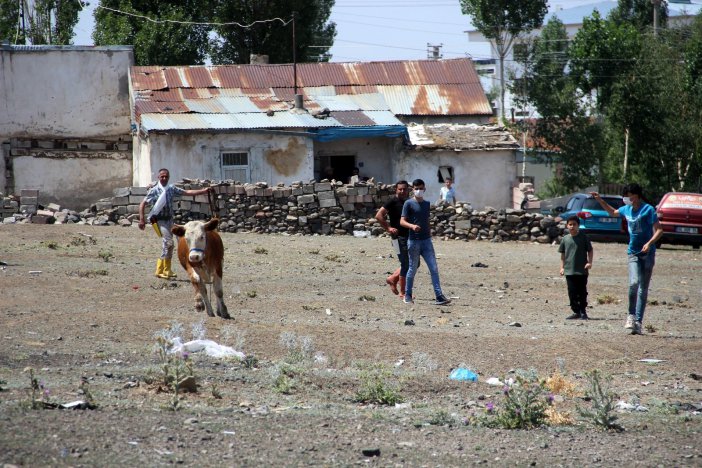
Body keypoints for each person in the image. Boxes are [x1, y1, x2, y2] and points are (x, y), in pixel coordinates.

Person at [591, 184, 663, 335]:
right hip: (633, 252)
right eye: (626, 195)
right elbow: (612, 212)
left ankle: (638, 322)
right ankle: (631, 315)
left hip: (648, 253)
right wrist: (599, 200)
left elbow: (659, 230)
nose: (627, 198)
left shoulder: (648, 210)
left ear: (637, 195)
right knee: (633, 283)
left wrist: (649, 243)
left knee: (643, 289)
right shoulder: (626, 209)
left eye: (629, 195)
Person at [138, 168, 213, 279]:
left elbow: (187, 192)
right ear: (158, 177)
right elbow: (142, 204)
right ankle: (162, 270)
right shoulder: (154, 191)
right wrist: (142, 219)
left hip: (169, 220)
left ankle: (165, 269)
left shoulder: (171, 189)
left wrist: (203, 191)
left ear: (168, 177)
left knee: (179, 241)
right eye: (162, 176)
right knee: (168, 243)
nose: (164, 178)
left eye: (166, 176)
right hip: (159, 220)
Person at [400, 179, 451, 306]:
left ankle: (439, 296)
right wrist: (412, 226)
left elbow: (426, 220)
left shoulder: (426, 204)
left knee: (433, 268)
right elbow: (402, 221)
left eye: (421, 188)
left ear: (425, 189)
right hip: (414, 241)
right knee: (412, 269)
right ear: (413, 189)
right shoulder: (408, 203)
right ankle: (408, 295)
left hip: (426, 241)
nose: (419, 191)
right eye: (416, 188)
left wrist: (429, 232)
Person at [375, 180, 413, 299]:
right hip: (397, 238)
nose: (402, 191)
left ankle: (392, 279)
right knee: (406, 263)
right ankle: (403, 292)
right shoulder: (392, 202)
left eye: (404, 189)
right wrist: (388, 228)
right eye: (400, 189)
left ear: (408, 190)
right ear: (396, 190)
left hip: (410, 237)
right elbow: (379, 215)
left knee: (414, 263)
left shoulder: (409, 202)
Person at [558, 215, 593, 320]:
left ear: (578, 226)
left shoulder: (583, 237)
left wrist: (589, 262)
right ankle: (576, 311)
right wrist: (562, 268)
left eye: (574, 224)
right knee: (572, 292)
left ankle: (583, 311)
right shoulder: (565, 239)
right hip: (569, 270)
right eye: (570, 224)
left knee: (582, 292)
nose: (572, 226)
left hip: (582, 270)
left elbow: (590, 250)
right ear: (567, 226)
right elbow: (563, 255)